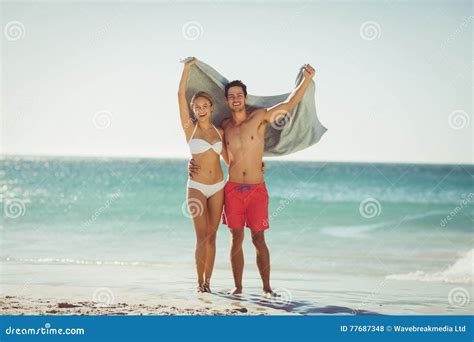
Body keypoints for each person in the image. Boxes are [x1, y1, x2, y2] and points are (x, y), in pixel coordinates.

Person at [190, 64, 316, 296]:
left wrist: (306, 80)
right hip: (233, 188)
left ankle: (267, 288)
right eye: (231, 96)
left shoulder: (259, 117)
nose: (236, 99)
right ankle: (238, 288)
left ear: (245, 98)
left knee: (259, 238)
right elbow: (205, 141)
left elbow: (289, 104)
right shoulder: (224, 126)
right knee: (236, 237)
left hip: (257, 189)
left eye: (239, 95)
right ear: (227, 101)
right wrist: (193, 164)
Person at [178, 58, 228, 293]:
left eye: (203, 106)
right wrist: (187, 68)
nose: (200, 109)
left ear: (211, 107)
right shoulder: (190, 128)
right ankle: (200, 284)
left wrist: (257, 166)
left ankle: (209, 282)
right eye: (196, 107)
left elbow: (230, 159)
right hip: (197, 186)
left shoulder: (220, 131)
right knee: (201, 237)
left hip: (218, 186)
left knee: (213, 235)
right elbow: (179, 96)